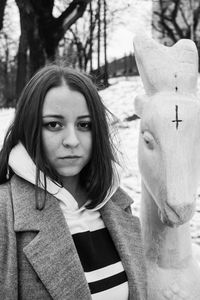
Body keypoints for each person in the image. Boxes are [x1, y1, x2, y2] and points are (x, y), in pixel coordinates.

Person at [0, 64, 147, 300]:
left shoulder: (117, 203)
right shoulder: (6, 211)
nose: (72, 140)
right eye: (54, 124)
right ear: (29, 129)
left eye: (84, 125)